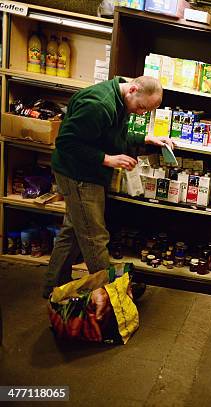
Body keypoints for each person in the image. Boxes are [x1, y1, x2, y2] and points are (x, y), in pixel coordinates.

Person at [43, 76, 173, 298]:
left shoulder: (120, 100)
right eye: (141, 107)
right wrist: (107, 159)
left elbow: (112, 136)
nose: (142, 113)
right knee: (94, 236)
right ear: (132, 89)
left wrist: (147, 139)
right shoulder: (99, 104)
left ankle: (54, 287)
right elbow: (65, 142)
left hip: (85, 172)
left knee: (73, 230)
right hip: (79, 175)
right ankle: (113, 295)